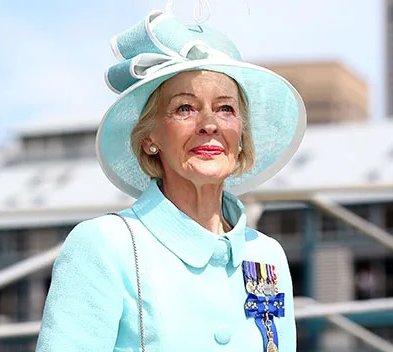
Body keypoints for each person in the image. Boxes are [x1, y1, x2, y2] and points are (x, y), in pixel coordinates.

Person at [36, 8, 306, 352]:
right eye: (185, 108)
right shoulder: (103, 246)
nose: (210, 124)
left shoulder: (267, 255)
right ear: (150, 137)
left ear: (240, 138)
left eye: (226, 109)